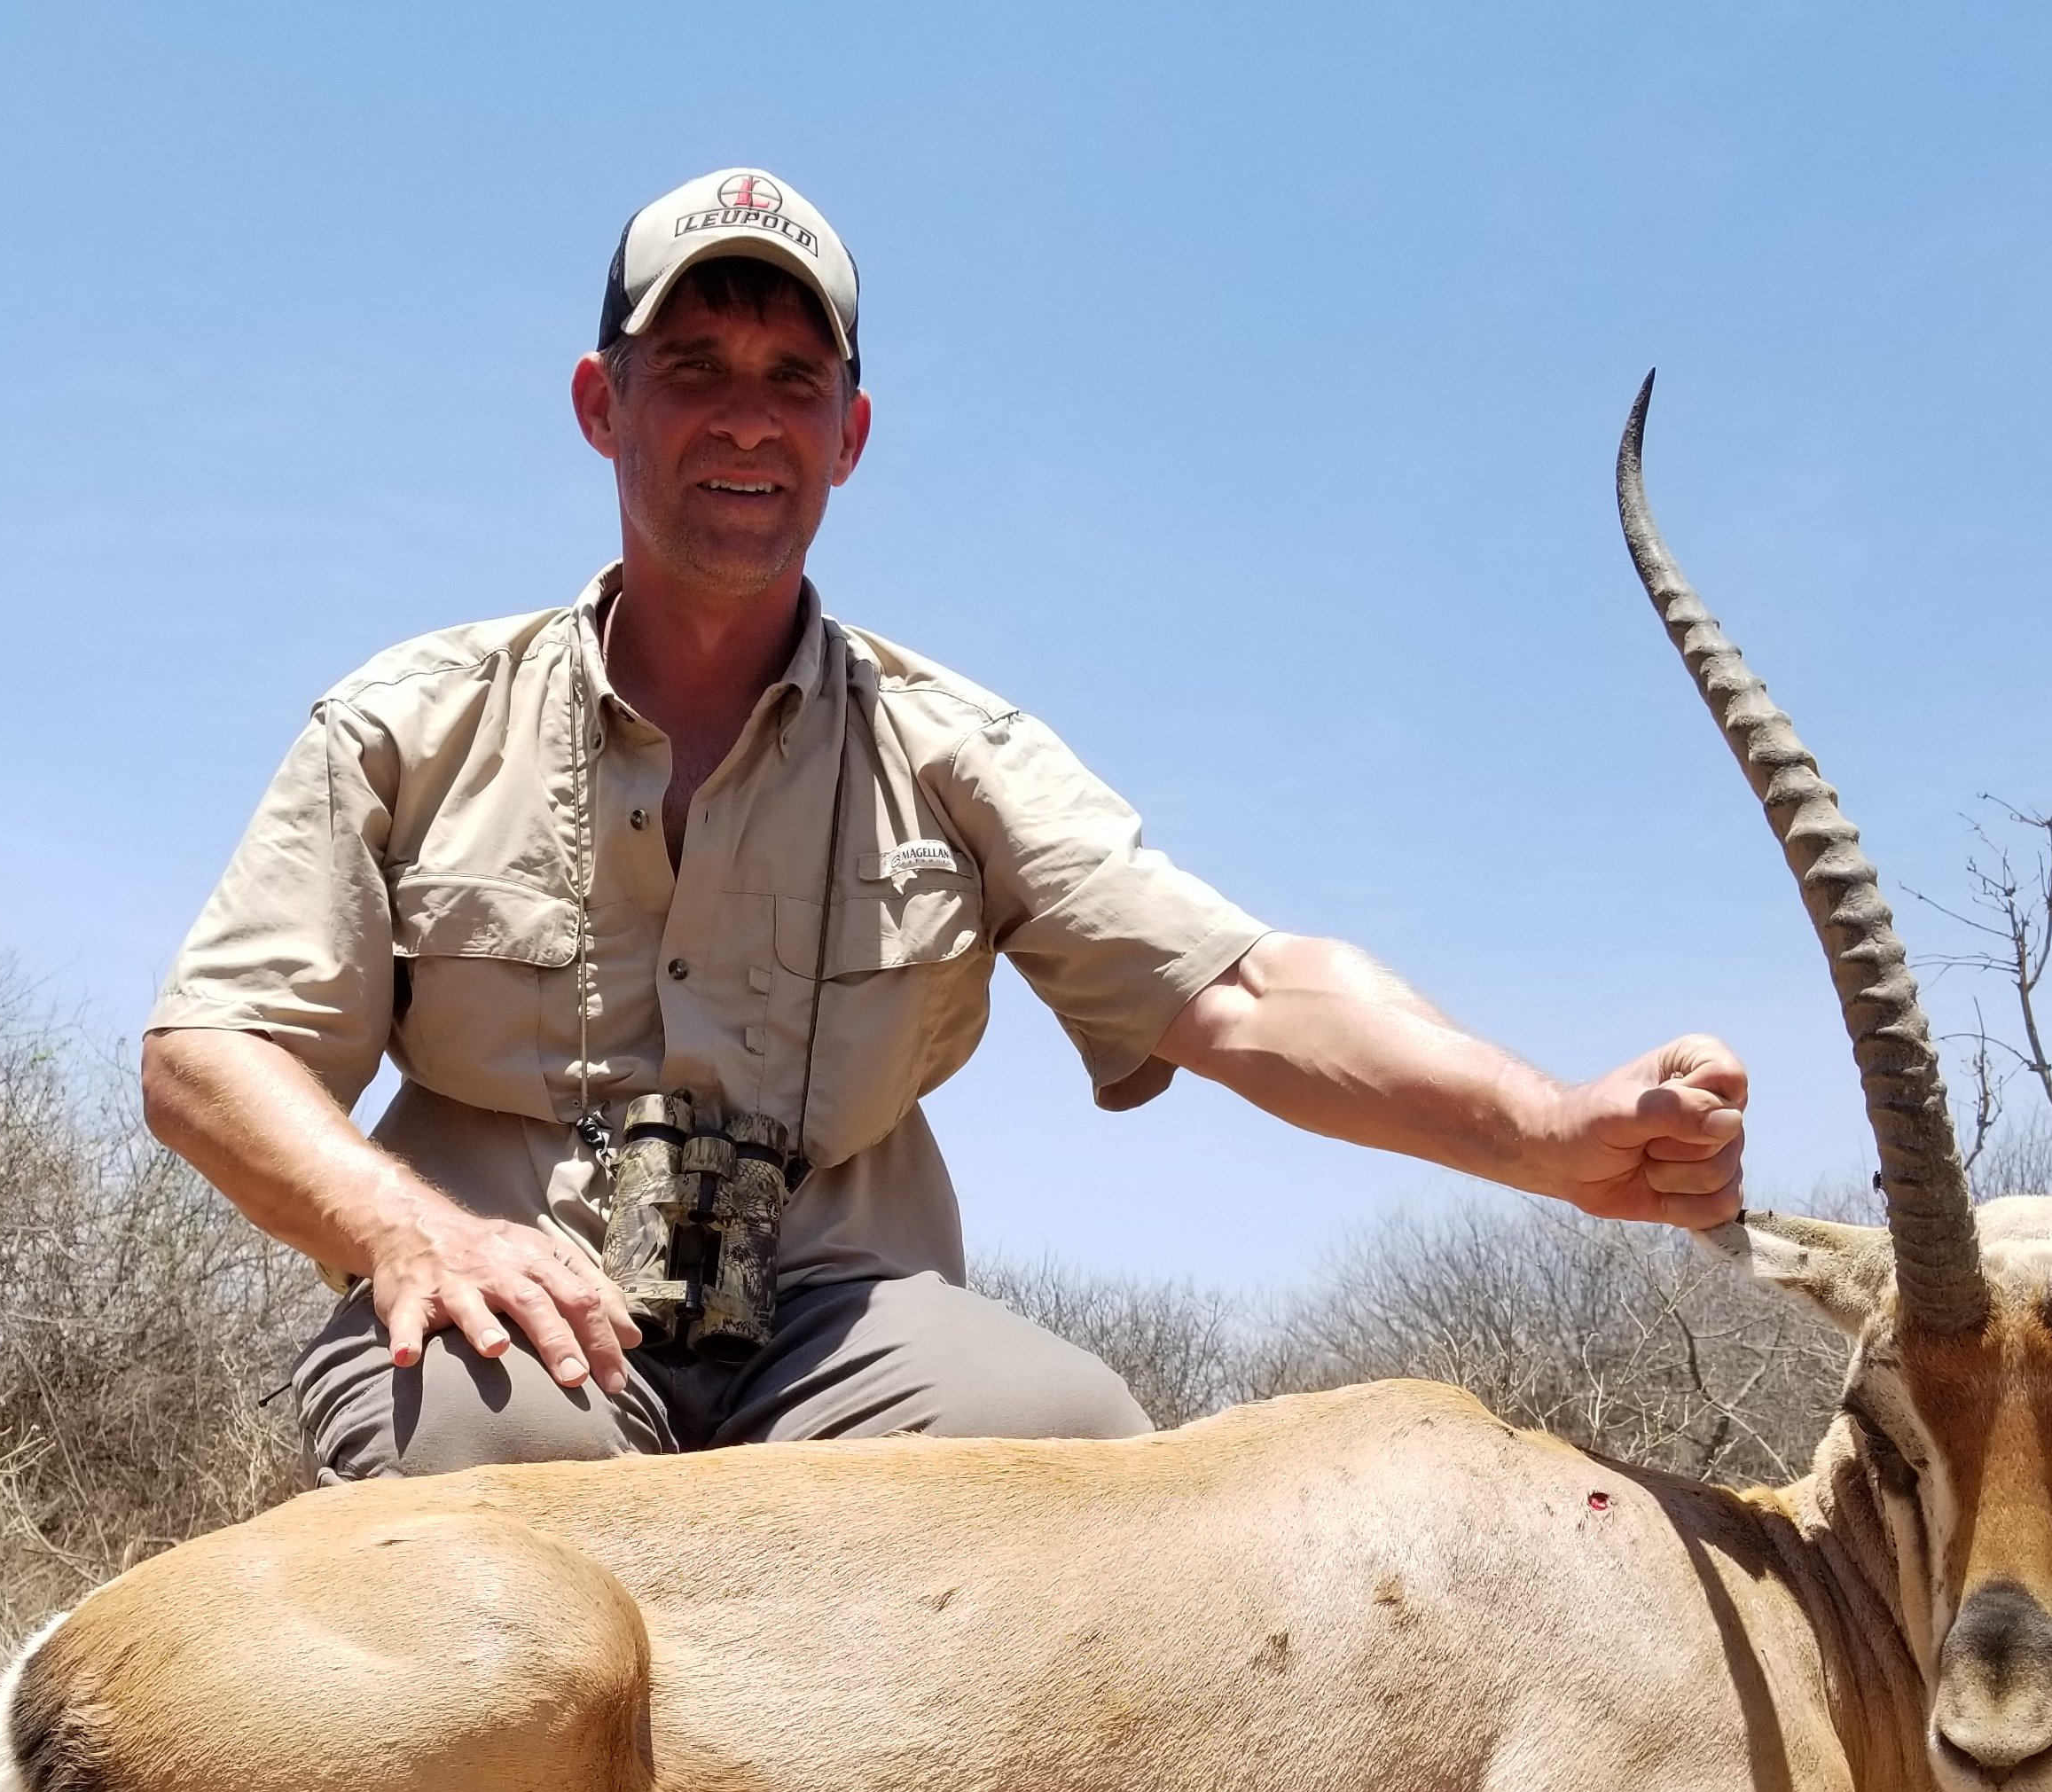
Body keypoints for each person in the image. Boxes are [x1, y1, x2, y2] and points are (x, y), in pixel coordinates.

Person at [146, 167, 1747, 1481]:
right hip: (521, 1316)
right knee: (493, 1457)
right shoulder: (409, 720)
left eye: (794, 379)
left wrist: (1551, 1130)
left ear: (849, 433)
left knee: (1079, 1456)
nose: (744, 420)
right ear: (600, 402)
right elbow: (209, 1052)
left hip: (830, 1325)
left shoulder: (955, 749)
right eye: (692, 368)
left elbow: (1244, 992)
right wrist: (402, 1233)